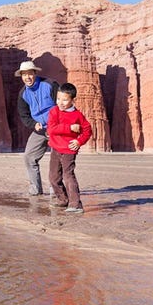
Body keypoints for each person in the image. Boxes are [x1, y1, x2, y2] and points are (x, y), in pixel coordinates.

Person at [46, 82, 92, 213]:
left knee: (68, 176)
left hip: (69, 150)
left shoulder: (77, 115)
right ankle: (63, 200)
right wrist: (70, 128)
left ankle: (76, 204)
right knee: (53, 177)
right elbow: (51, 129)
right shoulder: (54, 111)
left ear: (72, 100)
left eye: (65, 100)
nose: (60, 102)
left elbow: (87, 130)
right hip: (55, 148)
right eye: (58, 99)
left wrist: (79, 141)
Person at [15, 60, 60, 196]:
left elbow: (62, 104)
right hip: (39, 130)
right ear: (21, 76)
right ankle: (36, 189)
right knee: (29, 156)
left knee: (57, 159)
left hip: (56, 128)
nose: (27, 77)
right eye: (24, 75)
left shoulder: (50, 84)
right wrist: (33, 124)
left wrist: (57, 123)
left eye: (30, 74)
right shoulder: (23, 94)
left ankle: (56, 190)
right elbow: (24, 115)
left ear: (35, 73)